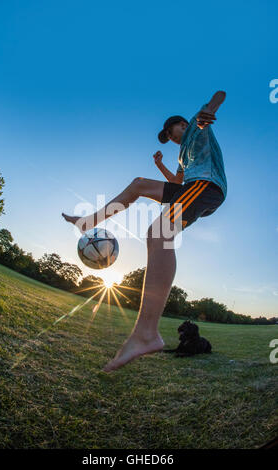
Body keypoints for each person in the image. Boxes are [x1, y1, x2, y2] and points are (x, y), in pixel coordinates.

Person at [62, 90, 227, 373]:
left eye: (171, 130)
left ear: (182, 125)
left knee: (159, 233)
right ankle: (89, 221)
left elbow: (218, 97)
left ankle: (147, 333)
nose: (171, 136)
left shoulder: (195, 128)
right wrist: (159, 165)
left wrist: (208, 111)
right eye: (168, 134)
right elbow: (177, 180)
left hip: (207, 186)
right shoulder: (181, 155)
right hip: (192, 187)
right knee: (139, 186)